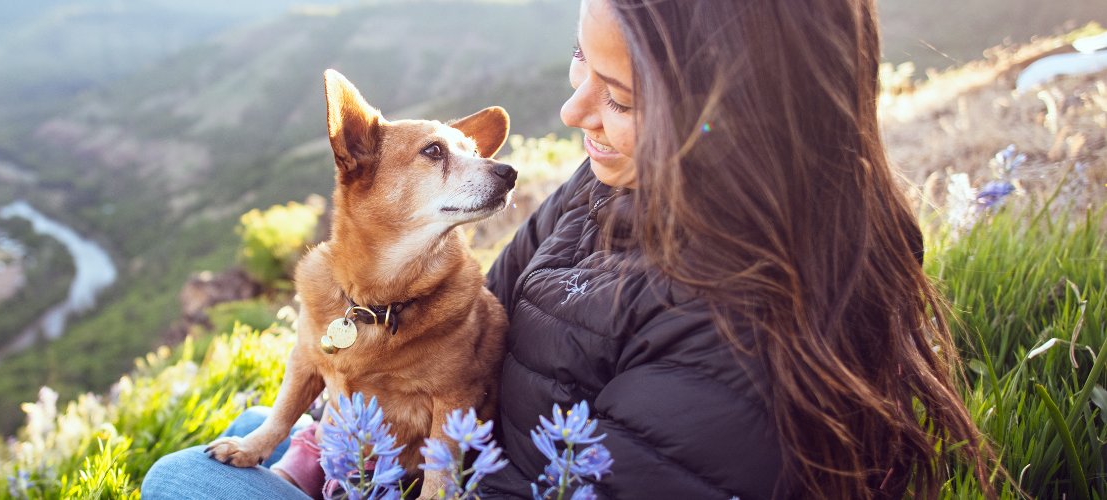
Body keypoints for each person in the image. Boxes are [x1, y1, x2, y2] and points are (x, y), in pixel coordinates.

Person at [144, 0, 993, 498]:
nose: (572, 111)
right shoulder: (608, 191)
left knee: (177, 482)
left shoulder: (742, 334)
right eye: (578, 60)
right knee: (249, 433)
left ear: (740, 120)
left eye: (617, 97)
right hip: (429, 456)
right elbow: (480, 318)